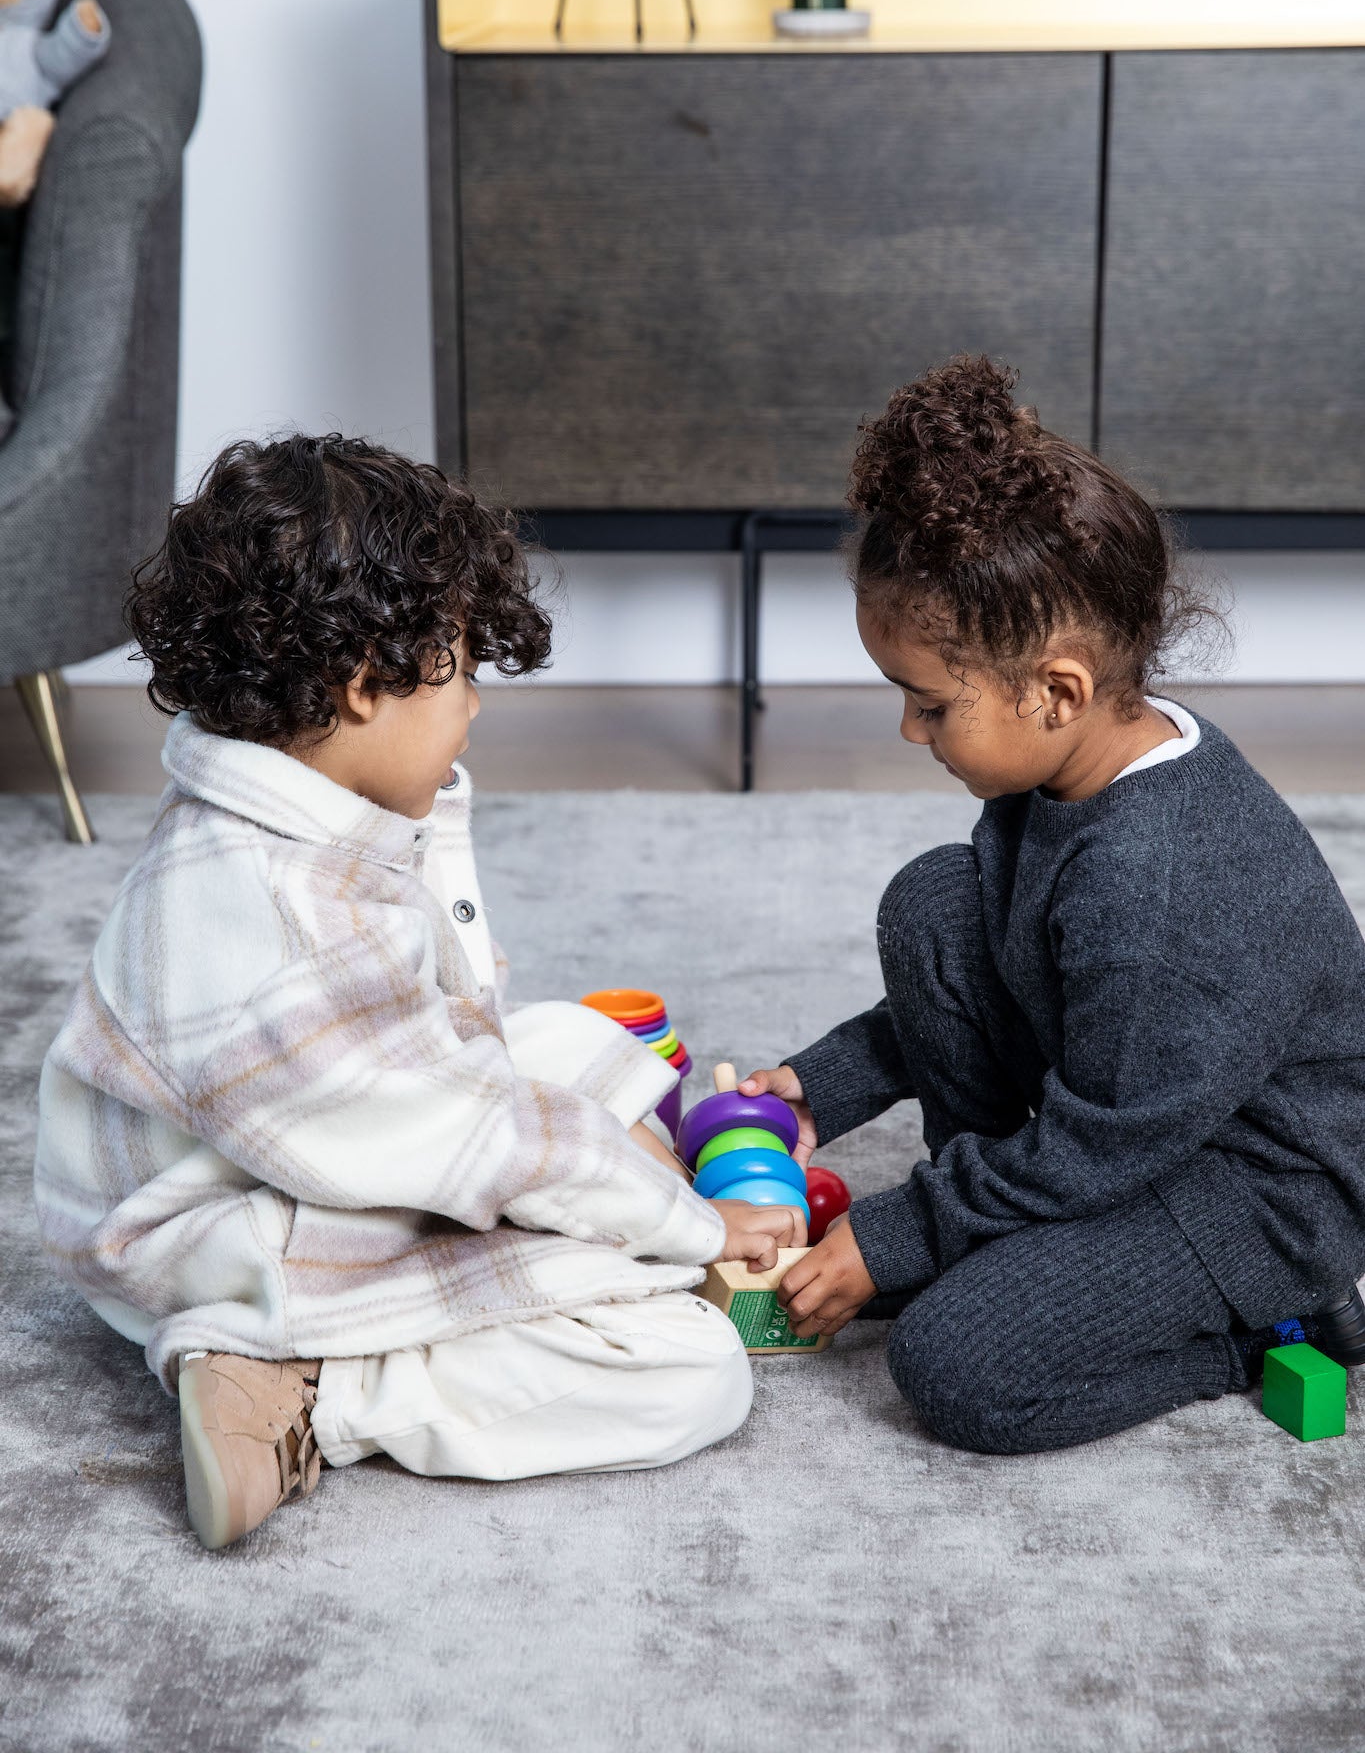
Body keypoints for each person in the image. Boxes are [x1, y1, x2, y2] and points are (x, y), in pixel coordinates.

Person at [34, 436, 800, 1547]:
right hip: (218, 1228)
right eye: (462, 670)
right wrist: (683, 1223)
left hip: (312, 1128)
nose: (476, 707)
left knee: (580, 1042)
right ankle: (302, 1389)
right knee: (689, 1364)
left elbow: (452, 1029)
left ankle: (588, 1200)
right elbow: (474, 1134)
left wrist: (605, 1146)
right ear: (359, 688)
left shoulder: (293, 788)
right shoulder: (274, 923)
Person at [743, 355, 1365, 1454]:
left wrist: (899, 1234)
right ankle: (997, 1233)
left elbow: (1098, 1144)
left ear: (1058, 688)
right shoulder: (1065, 770)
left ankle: (1276, 1321)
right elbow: (993, 951)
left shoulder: (1158, 889)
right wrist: (823, 1086)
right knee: (939, 900)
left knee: (955, 1365)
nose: (909, 730)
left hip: (1250, 1189)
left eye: (930, 704)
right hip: (1139, 1105)